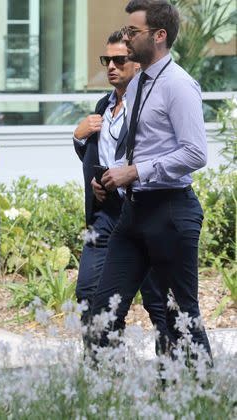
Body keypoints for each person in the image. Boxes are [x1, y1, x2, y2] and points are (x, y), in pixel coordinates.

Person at [89, 0, 212, 358]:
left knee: (181, 320)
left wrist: (136, 171)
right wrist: (112, 176)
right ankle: (104, 403)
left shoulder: (179, 85)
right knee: (103, 314)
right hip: (134, 212)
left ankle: (210, 403)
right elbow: (140, 143)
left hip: (171, 211)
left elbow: (195, 153)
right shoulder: (140, 80)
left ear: (159, 36)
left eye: (132, 32)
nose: (125, 39)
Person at [73, 30, 170, 351]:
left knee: (159, 304)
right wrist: (79, 137)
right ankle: (106, 376)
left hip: (144, 213)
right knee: (88, 292)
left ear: (137, 63)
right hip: (106, 216)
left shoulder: (150, 101)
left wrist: (128, 177)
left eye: (119, 59)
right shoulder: (103, 105)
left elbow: (164, 152)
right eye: (107, 60)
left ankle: (175, 378)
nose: (111, 66)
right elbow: (99, 155)